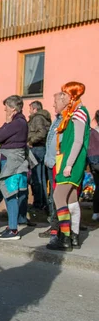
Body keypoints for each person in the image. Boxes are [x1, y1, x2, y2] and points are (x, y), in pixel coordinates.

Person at [47, 82, 90, 251]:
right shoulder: (74, 113)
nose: (61, 97)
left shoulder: (79, 113)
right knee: (71, 200)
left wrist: (69, 164)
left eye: (64, 94)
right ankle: (74, 237)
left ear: (72, 96)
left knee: (58, 197)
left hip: (72, 161)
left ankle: (64, 238)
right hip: (69, 159)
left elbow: (78, 141)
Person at [0, 95, 32, 241]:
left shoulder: (17, 123)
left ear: (13, 108)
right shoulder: (19, 122)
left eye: (6, 106)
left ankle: (13, 229)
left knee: (11, 194)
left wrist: (6, 123)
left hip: (12, 163)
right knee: (9, 194)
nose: (4, 108)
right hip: (12, 160)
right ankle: (11, 225)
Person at [39, 103, 62, 238]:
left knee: (57, 196)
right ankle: (54, 225)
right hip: (51, 162)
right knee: (52, 195)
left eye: (56, 102)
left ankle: (57, 227)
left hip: (58, 163)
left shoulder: (66, 120)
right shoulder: (57, 119)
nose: (53, 105)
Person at [28, 101, 51, 211]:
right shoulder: (44, 118)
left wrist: (31, 141)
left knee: (37, 177)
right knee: (40, 177)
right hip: (40, 148)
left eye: (30, 109)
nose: (29, 111)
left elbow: (41, 133)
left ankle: (39, 203)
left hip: (37, 149)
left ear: (34, 109)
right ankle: (43, 202)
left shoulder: (37, 118)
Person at [88, 110, 99, 222]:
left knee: (98, 187)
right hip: (96, 161)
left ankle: (95, 212)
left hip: (93, 162)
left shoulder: (93, 131)